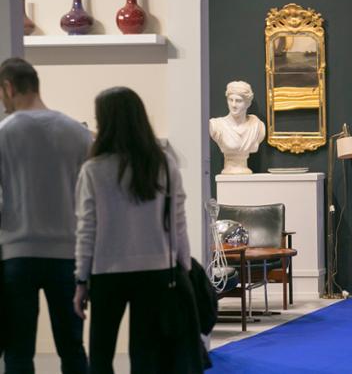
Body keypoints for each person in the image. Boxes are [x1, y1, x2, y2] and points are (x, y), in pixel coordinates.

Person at [72, 87, 201, 373]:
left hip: (106, 272)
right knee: (147, 357)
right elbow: (178, 221)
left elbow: (86, 230)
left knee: (101, 354)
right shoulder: (164, 164)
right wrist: (183, 265)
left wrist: (81, 279)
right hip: (156, 271)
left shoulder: (94, 170)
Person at [0, 57, 90, 374]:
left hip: (16, 255)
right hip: (67, 255)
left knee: (18, 352)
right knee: (73, 349)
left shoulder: (3, 133)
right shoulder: (77, 134)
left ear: (8, 88)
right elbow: (89, 200)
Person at [209, 80, 265, 174]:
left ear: (248, 103)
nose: (233, 105)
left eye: (238, 101)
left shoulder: (258, 126)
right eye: (230, 100)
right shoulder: (216, 126)